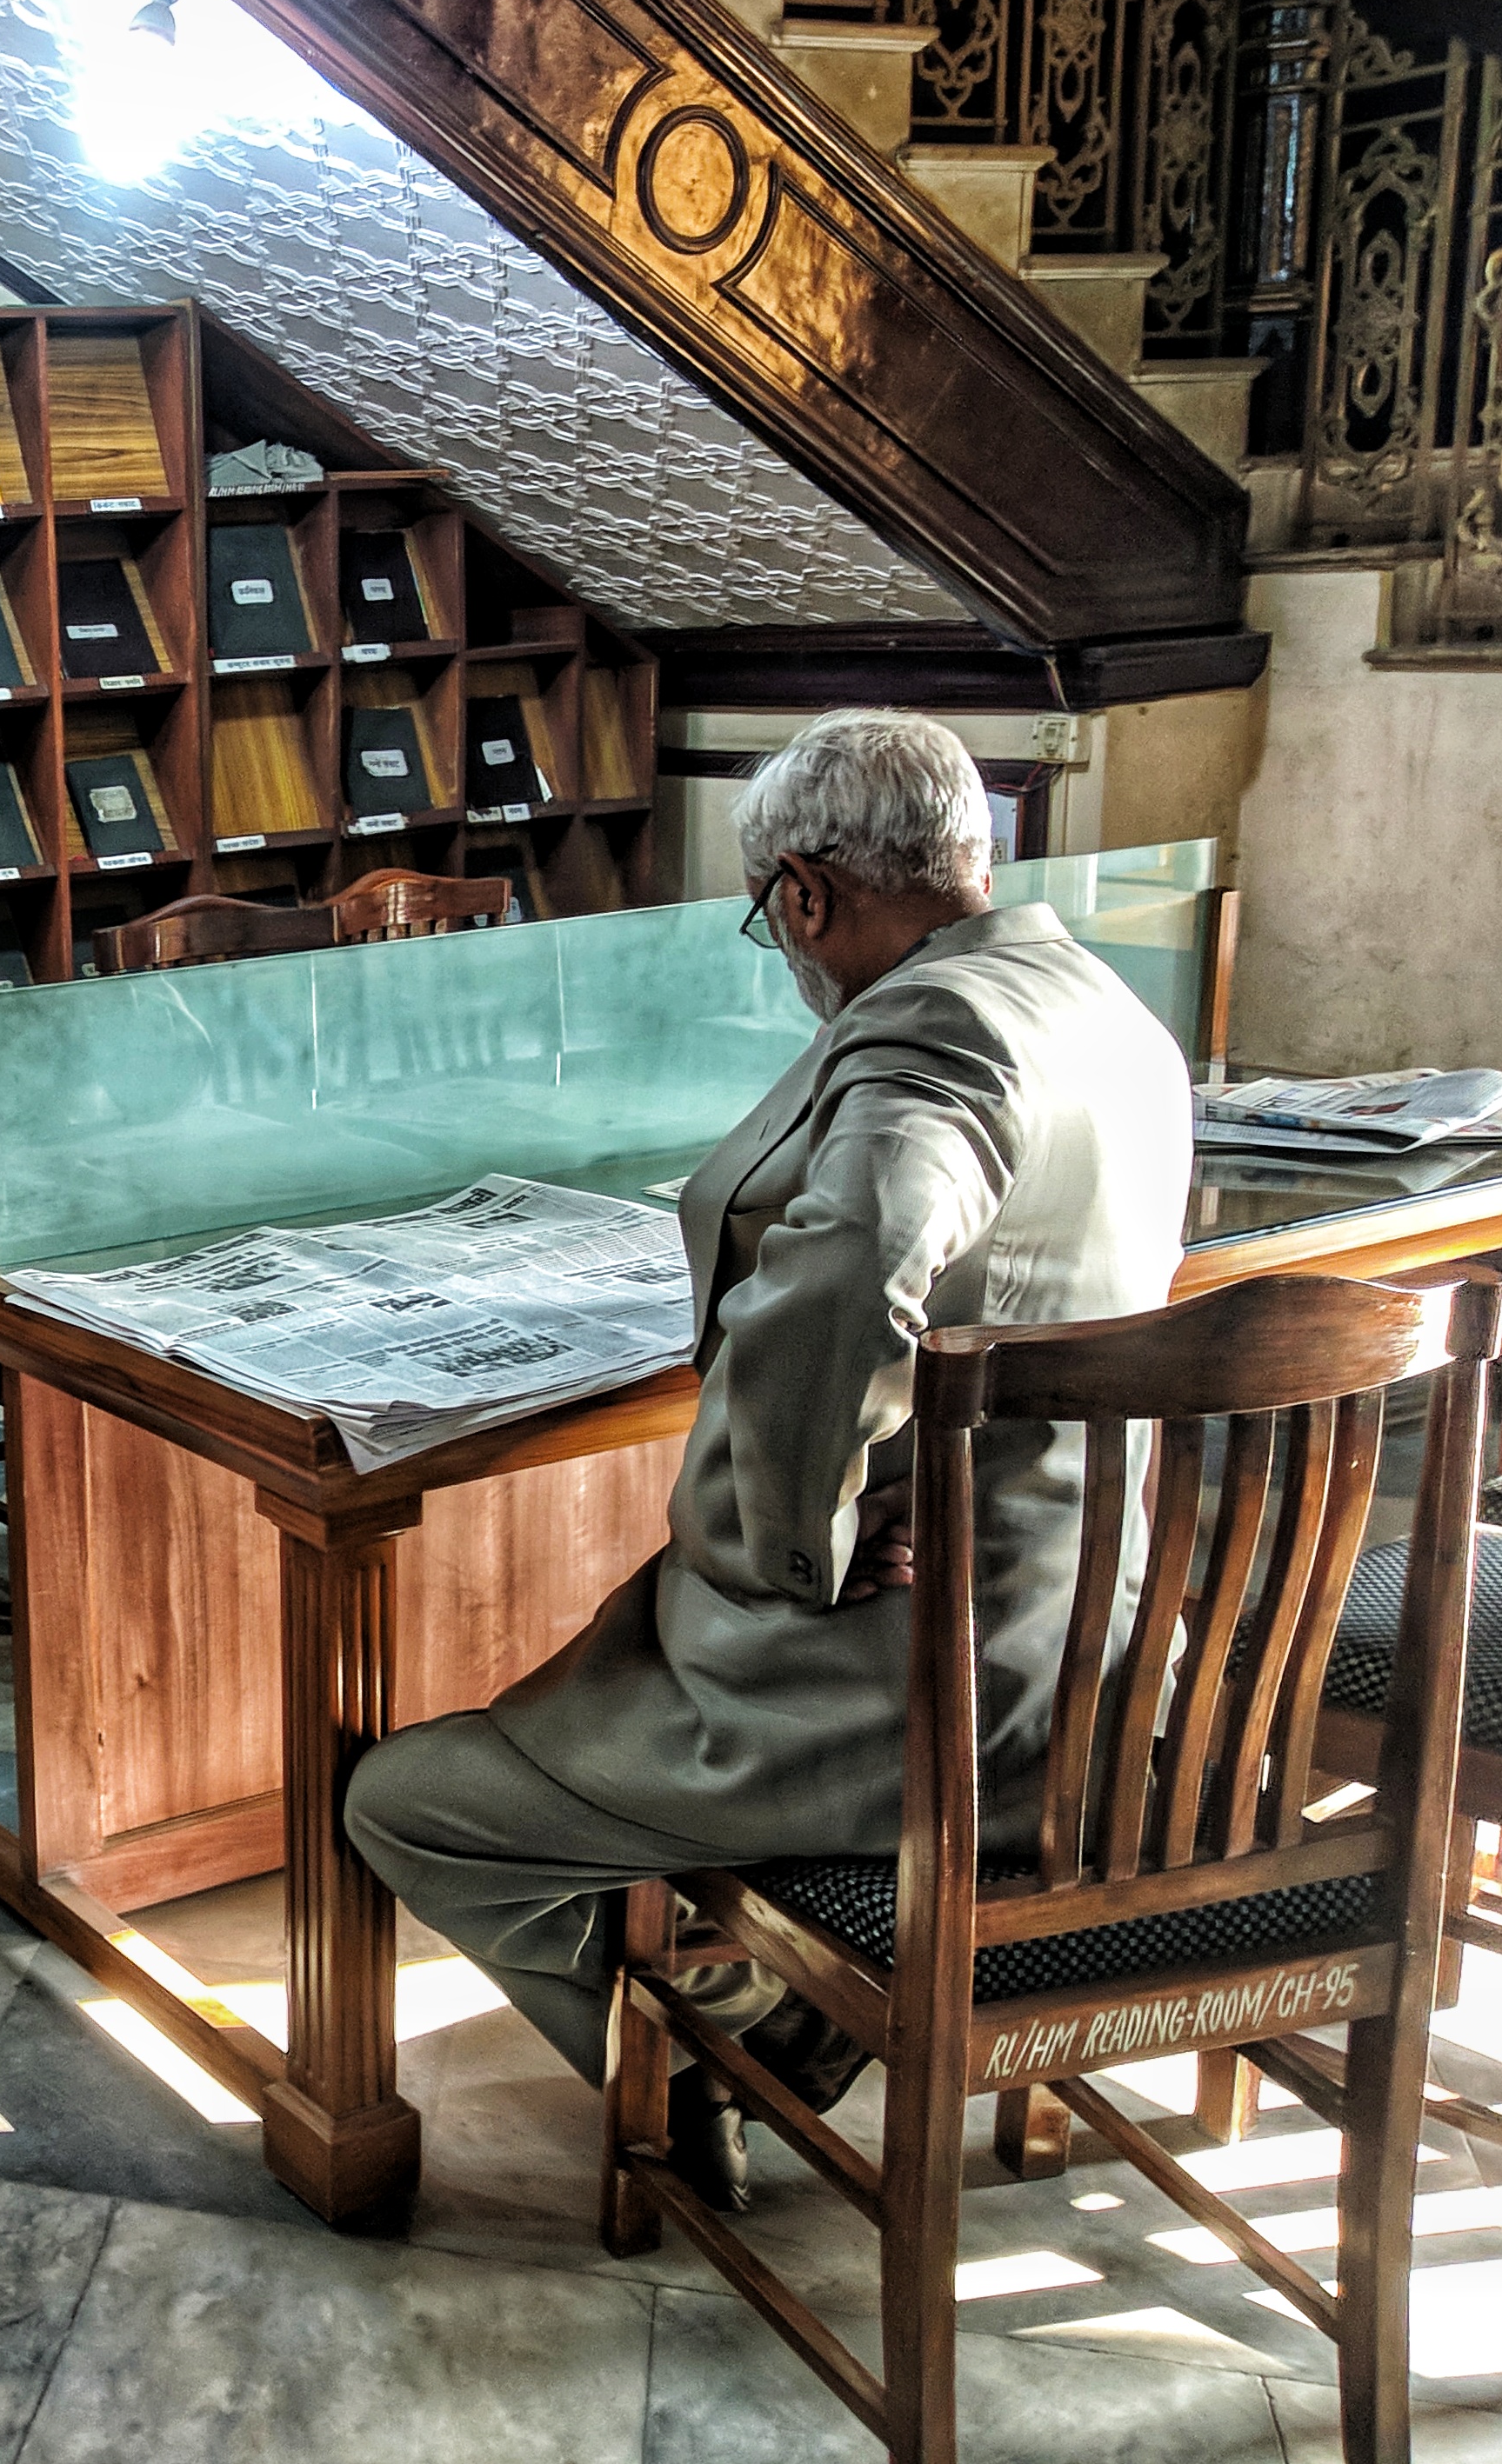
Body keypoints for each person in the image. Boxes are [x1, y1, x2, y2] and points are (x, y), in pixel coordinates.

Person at [343, 706, 1194, 2206]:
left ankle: (738, 2045)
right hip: (1101, 1649)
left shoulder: (933, 1025)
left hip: (913, 1684)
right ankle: (763, 2024)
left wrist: (792, 1540)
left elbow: (863, 1255)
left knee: (411, 1800)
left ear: (803, 893)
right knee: (584, 1697)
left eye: (768, 917)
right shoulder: (1099, 1002)